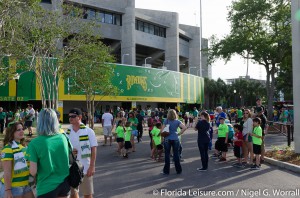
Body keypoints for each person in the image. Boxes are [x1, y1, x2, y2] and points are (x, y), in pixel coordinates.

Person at [26, 108, 70, 197]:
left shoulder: (34, 143)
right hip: (65, 183)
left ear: (40, 122)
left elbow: (33, 171)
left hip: (46, 187)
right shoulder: (63, 137)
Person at [66, 108, 98, 198]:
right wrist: (70, 151)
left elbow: (94, 149)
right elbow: (64, 149)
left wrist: (92, 166)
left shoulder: (89, 131)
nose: (70, 118)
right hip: (71, 168)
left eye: (73, 116)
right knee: (73, 194)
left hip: (86, 167)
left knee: (87, 194)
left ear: (80, 117)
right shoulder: (67, 132)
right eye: (69, 116)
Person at [0, 122, 34, 198]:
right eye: (18, 130)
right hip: (13, 187)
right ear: (12, 132)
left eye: (22, 129)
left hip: (26, 184)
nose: (22, 131)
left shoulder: (24, 147)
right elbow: (7, 172)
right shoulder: (8, 148)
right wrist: (8, 190)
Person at [160, 109, 187, 175]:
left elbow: (161, 131)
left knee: (167, 154)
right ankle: (178, 170)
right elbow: (184, 127)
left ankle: (166, 171)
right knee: (176, 154)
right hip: (175, 138)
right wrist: (179, 133)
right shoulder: (177, 121)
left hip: (167, 139)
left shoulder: (166, 121)